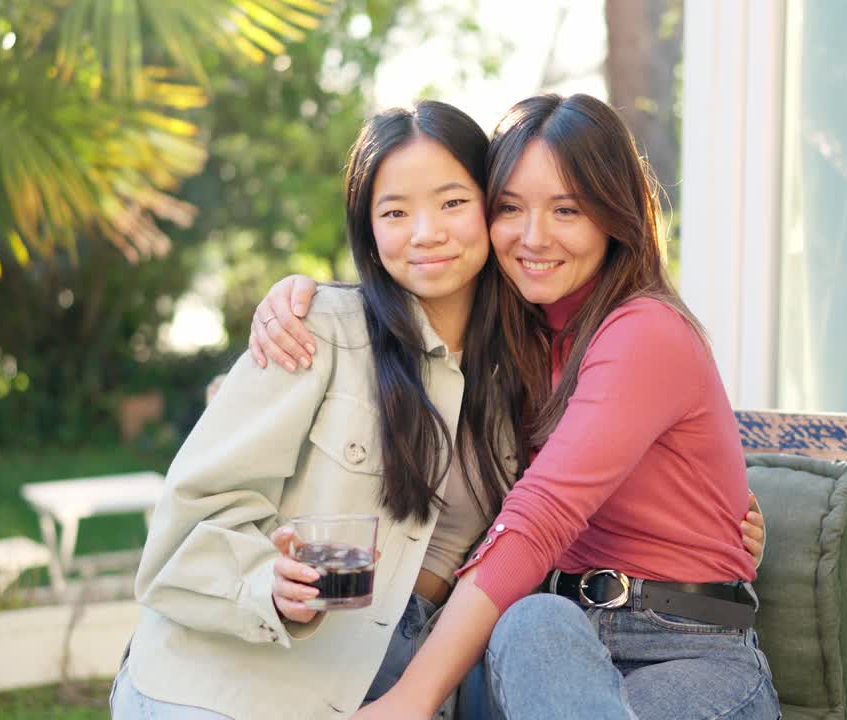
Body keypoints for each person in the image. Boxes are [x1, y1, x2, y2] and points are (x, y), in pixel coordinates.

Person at [249, 93, 779, 720]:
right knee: (534, 621)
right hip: (546, 647)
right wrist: (302, 296)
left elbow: (540, 516)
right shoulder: (514, 342)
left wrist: (410, 703)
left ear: (614, 215)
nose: (533, 237)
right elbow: (418, 281)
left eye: (566, 209)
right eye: (510, 209)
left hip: (685, 652)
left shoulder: (646, 331)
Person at [111, 101, 524, 719]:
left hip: (409, 671)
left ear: (494, 206)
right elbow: (181, 529)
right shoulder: (312, 332)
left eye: (452, 202)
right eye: (395, 212)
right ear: (367, 228)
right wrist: (266, 583)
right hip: (232, 674)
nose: (425, 232)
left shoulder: (523, 368)